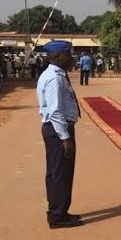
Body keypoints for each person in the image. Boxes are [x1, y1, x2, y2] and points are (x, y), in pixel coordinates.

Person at [36, 40, 83, 229]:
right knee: (60, 173)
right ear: (57, 57)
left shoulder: (57, 74)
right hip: (58, 130)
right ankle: (57, 216)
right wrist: (65, 138)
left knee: (58, 172)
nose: (71, 58)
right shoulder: (54, 78)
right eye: (68, 54)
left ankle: (60, 210)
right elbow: (55, 111)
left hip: (57, 128)